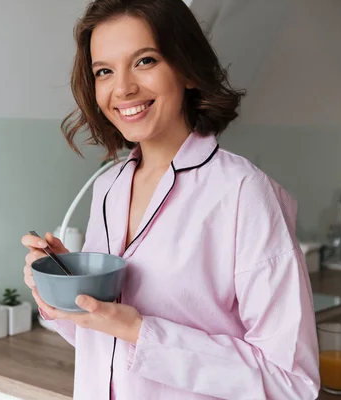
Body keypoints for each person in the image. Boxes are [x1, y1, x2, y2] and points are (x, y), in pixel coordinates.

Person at [21, 0, 320, 399]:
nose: (123, 87)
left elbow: (292, 383)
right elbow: (104, 344)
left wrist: (140, 331)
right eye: (104, 71)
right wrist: (62, 289)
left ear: (188, 70)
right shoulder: (108, 187)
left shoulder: (243, 193)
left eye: (144, 61)